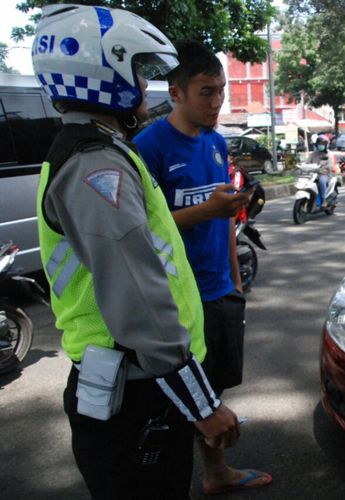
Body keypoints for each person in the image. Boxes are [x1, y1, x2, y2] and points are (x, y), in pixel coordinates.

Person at [32, 5, 241, 499]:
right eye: (138, 72)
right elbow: (137, 295)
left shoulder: (96, 151)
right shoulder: (94, 166)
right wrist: (202, 404)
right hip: (134, 383)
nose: (145, 87)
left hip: (136, 377)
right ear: (102, 72)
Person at [134, 40, 272, 495]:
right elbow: (137, 231)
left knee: (214, 391)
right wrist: (203, 212)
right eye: (205, 92)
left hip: (219, 291)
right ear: (175, 93)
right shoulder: (147, 147)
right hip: (176, 301)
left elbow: (224, 216)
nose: (216, 103)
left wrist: (235, 280)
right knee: (178, 399)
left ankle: (216, 473)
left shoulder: (216, 143)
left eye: (221, 91)